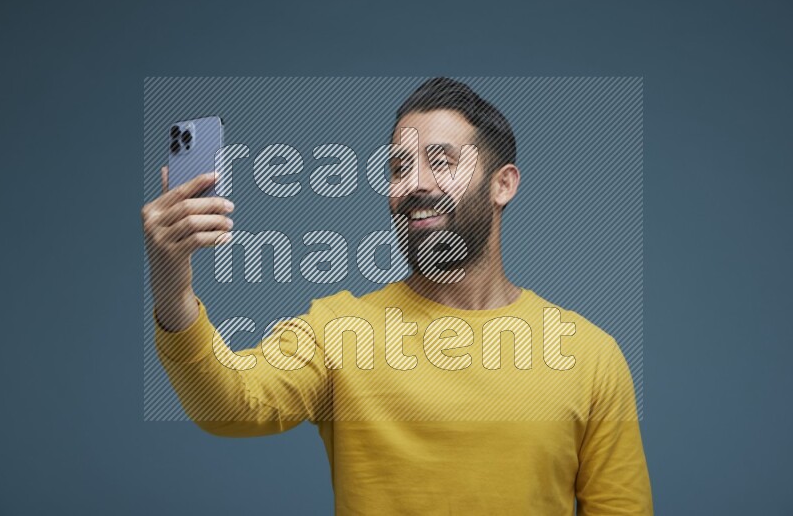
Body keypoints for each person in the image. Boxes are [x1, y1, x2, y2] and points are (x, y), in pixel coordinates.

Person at [142, 77, 654, 514]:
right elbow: (229, 404)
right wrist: (172, 281)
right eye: (398, 167)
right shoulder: (339, 329)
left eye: (441, 161)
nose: (413, 184)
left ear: (503, 185)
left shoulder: (590, 355)